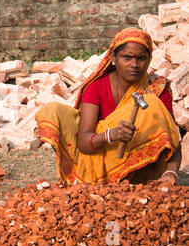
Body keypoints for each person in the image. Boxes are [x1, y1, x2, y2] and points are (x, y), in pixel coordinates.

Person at [35, 27, 182, 186]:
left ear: (149, 59)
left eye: (141, 58)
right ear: (113, 58)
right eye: (127, 57)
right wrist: (111, 135)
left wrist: (171, 172)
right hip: (95, 154)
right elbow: (84, 143)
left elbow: (172, 136)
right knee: (53, 111)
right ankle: (87, 178)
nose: (134, 64)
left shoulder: (157, 88)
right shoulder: (97, 86)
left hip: (138, 169)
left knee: (152, 103)